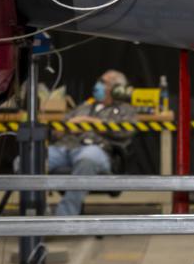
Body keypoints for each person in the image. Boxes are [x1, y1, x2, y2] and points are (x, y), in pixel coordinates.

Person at [48, 69, 136, 216]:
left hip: (97, 151)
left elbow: (124, 132)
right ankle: (36, 210)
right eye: (99, 80)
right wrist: (67, 128)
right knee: (29, 158)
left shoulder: (125, 110)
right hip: (66, 149)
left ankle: (64, 217)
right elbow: (56, 131)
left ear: (117, 89)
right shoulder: (84, 106)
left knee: (87, 157)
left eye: (104, 83)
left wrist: (87, 122)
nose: (99, 85)